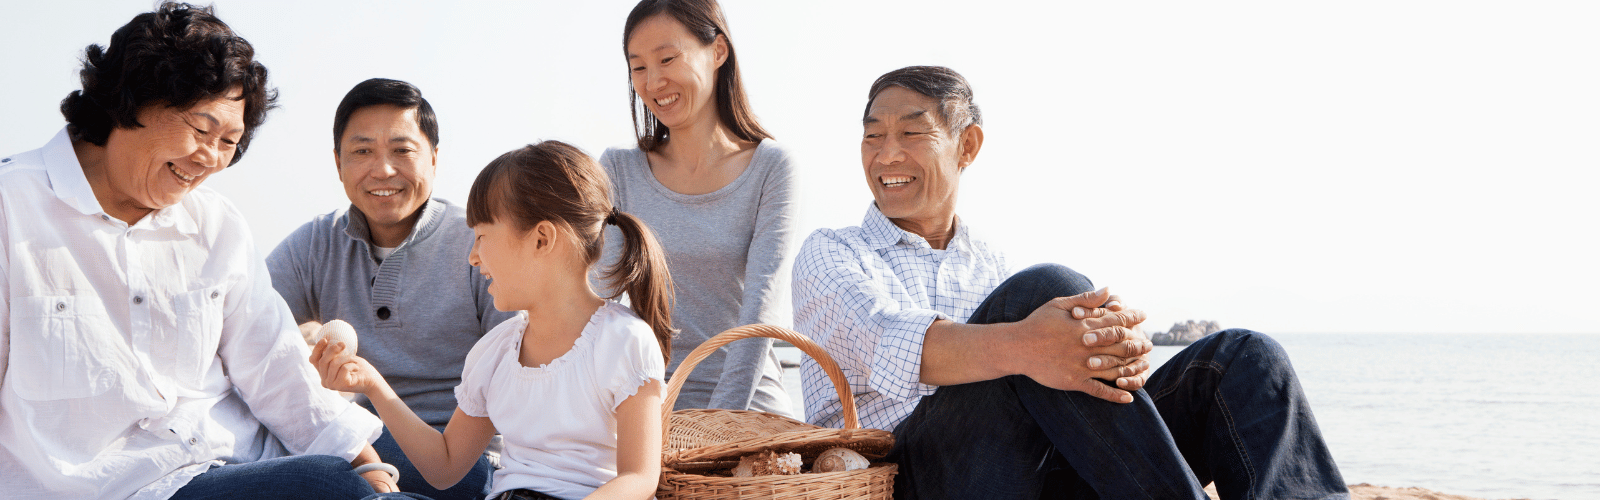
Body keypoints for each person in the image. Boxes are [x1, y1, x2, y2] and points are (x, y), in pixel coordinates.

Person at [793, 66, 1349, 500]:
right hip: (909, 478)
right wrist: (1033, 344)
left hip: (1035, 477)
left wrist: (1110, 354)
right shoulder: (834, 253)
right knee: (1048, 290)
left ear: (967, 147)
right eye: (872, 136)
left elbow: (1062, 378)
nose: (886, 153)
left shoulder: (990, 262)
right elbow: (891, 341)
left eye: (910, 132)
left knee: (1244, 358)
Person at [0, 3, 401, 499]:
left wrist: (369, 467)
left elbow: (273, 362)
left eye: (229, 141)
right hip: (114, 487)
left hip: (235, 458)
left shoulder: (217, 225)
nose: (209, 158)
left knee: (445, 474)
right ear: (131, 100)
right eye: (200, 129)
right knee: (327, 485)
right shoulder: (12, 206)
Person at [312, 141, 672, 500]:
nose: (472, 256)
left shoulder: (623, 341)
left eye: (482, 236)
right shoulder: (495, 351)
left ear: (542, 239)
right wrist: (374, 385)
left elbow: (639, 478)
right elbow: (445, 466)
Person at [267, 77, 515, 500]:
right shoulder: (314, 244)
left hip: (467, 462)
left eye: (402, 151)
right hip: (363, 446)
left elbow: (519, 377)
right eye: (362, 151)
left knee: (323, 473)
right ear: (337, 162)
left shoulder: (478, 243)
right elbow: (242, 325)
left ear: (434, 158)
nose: (382, 170)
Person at [600, 0, 798, 416]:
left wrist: (718, 426)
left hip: (748, 411)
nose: (653, 82)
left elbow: (760, 310)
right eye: (638, 68)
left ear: (718, 52)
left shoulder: (771, 168)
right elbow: (599, 294)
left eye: (667, 59)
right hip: (648, 408)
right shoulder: (618, 170)